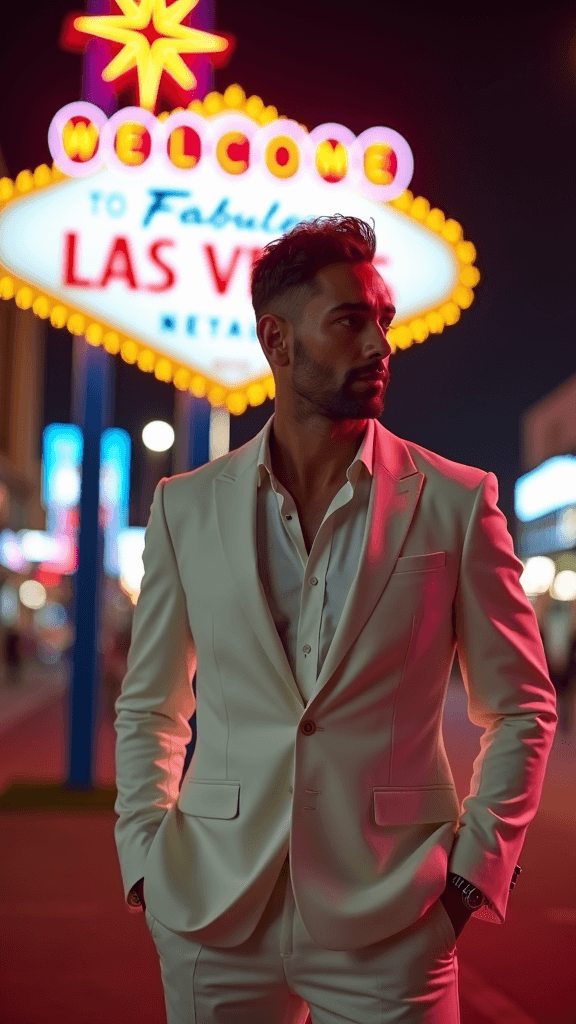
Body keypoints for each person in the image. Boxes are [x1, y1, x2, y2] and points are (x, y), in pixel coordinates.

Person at [113, 215, 557, 1023]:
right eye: (351, 321)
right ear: (277, 342)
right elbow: (151, 705)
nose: (381, 344)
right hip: (213, 907)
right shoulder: (186, 508)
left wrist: (470, 880)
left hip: (394, 913)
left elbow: (522, 706)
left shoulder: (456, 502)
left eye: (384, 320)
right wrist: (143, 856)